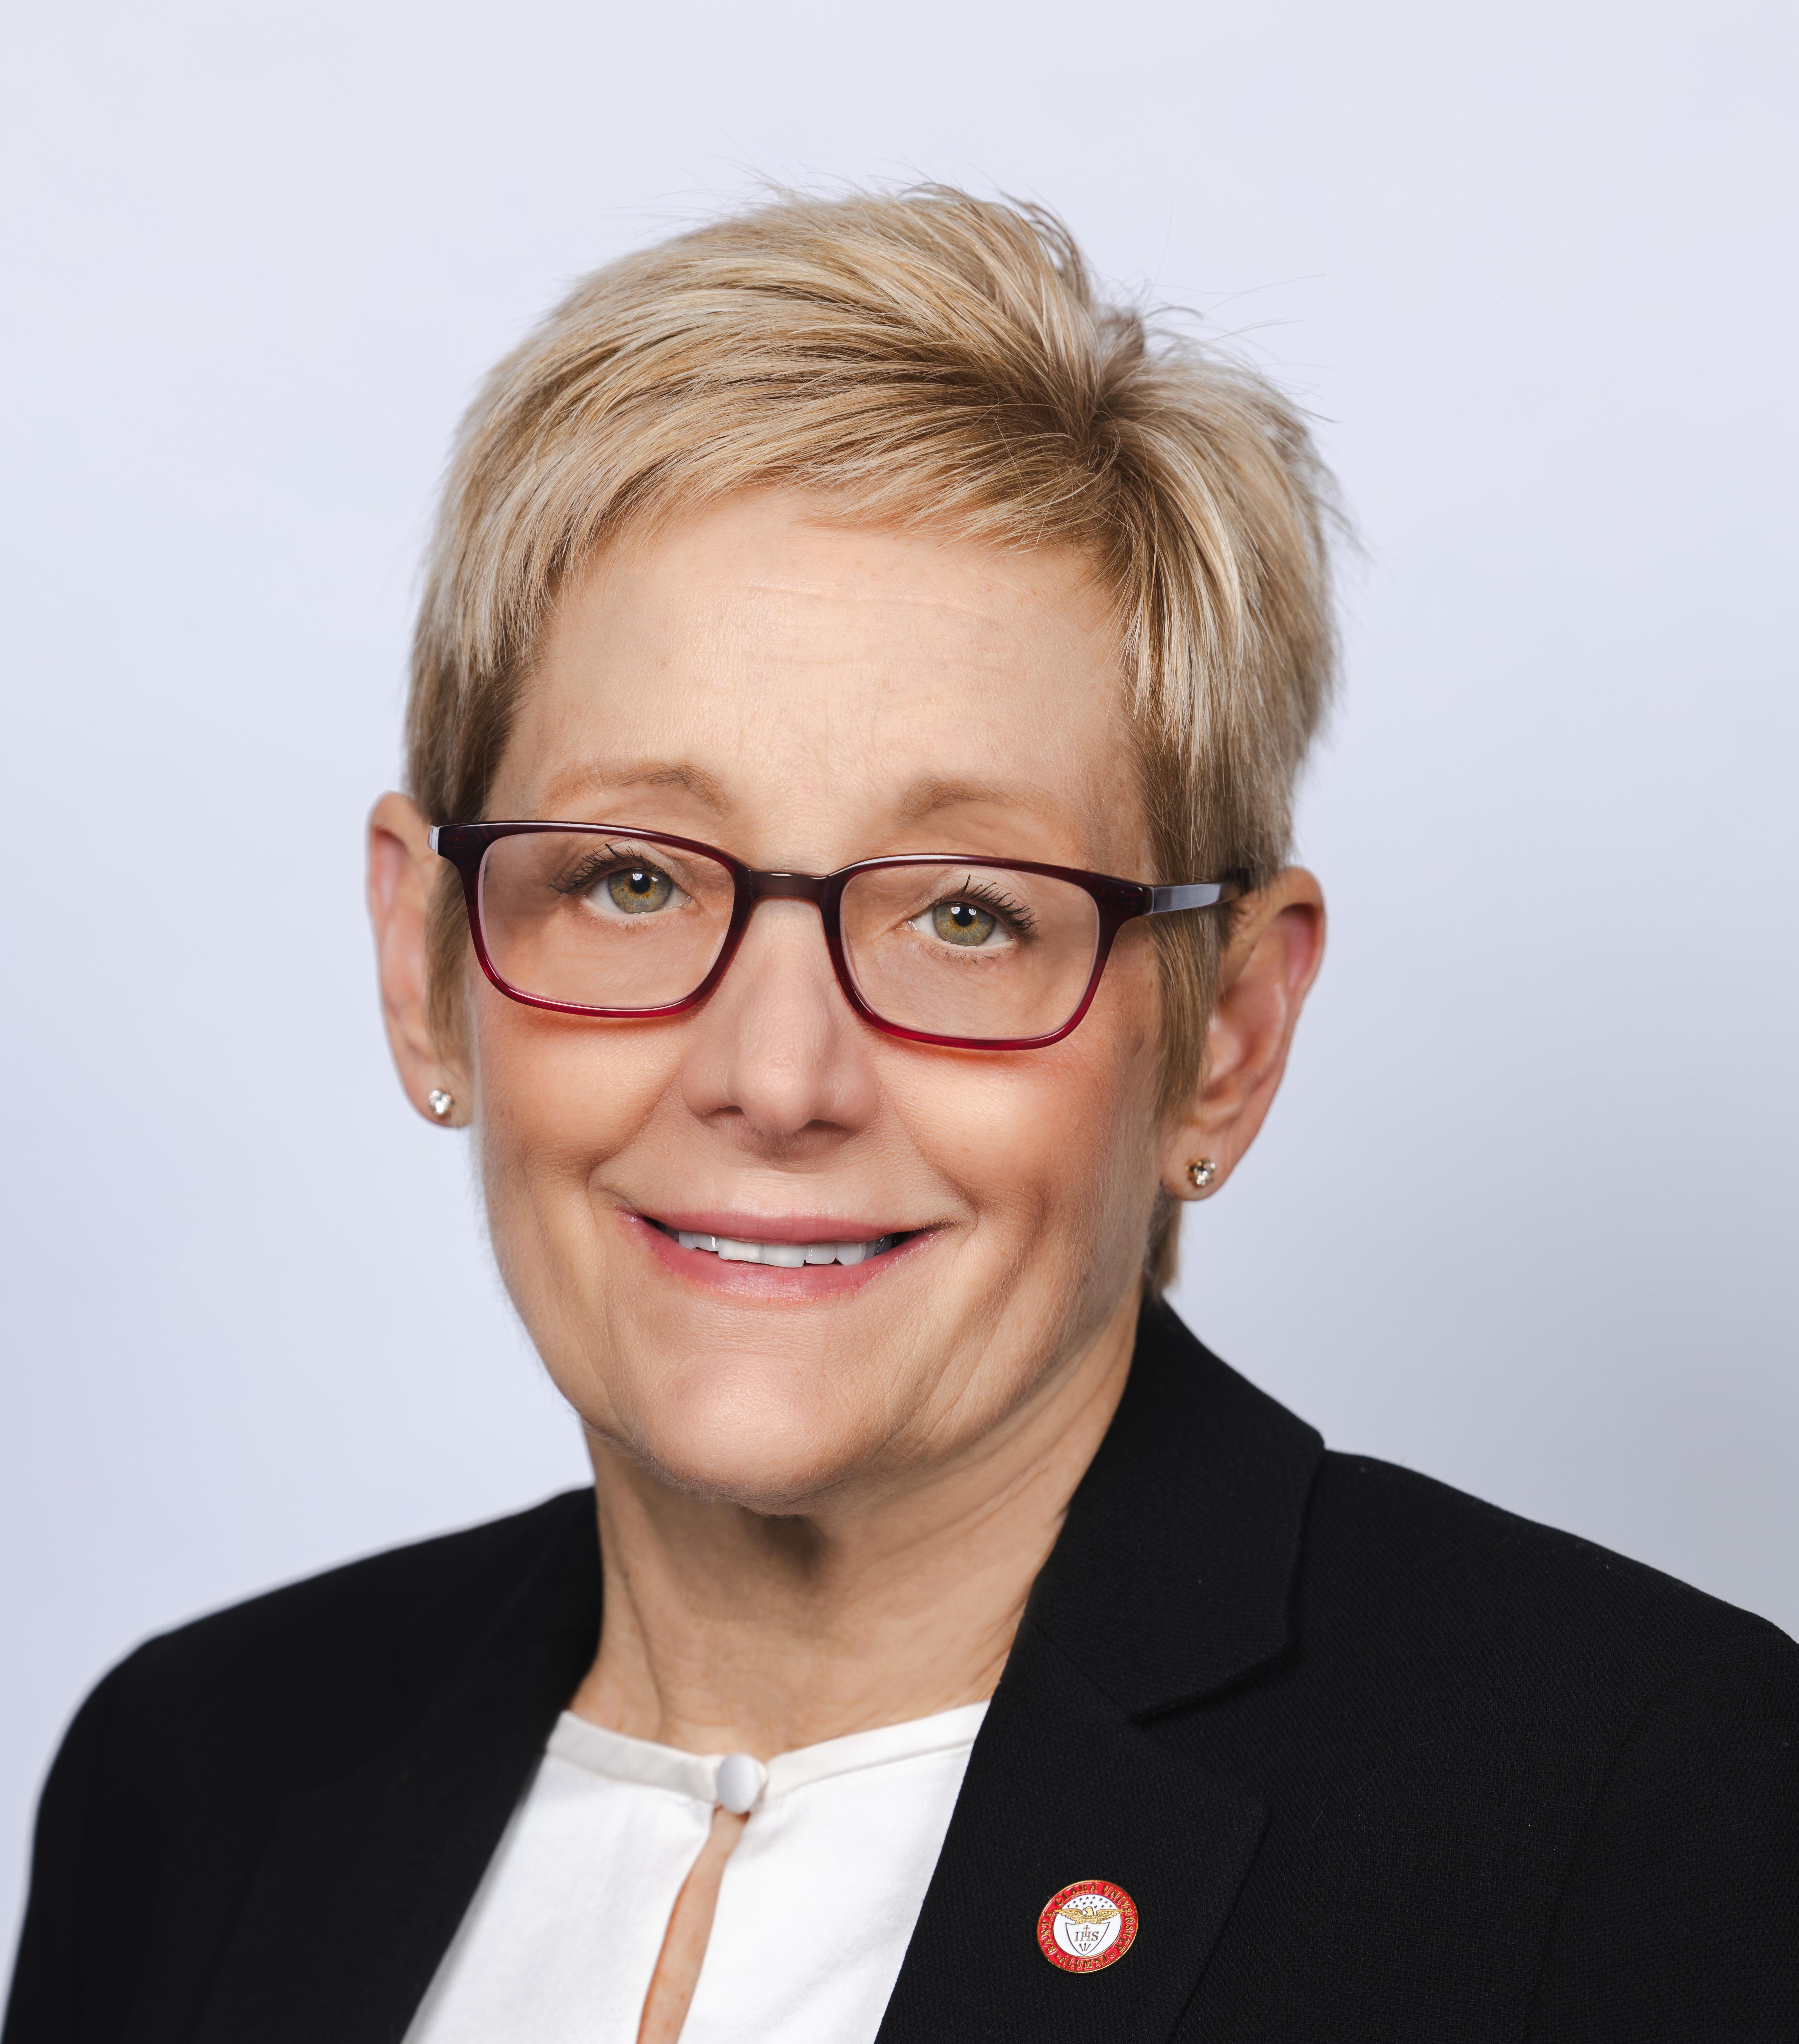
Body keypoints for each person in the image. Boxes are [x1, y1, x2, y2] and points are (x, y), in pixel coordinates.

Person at [6, 186, 1796, 2044]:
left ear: (1225, 1036)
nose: (776, 1079)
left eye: (967, 915)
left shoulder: (1630, 1814)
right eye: (631, 878)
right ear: (427, 962)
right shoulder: (198, 1781)